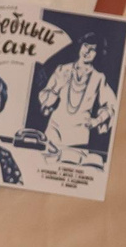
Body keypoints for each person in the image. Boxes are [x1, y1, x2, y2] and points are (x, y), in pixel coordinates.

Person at [37, 38, 114, 169]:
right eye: (85, 46)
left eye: (93, 49)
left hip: (78, 137)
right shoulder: (62, 70)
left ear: (98, 54)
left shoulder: (99, 77)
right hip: (53, 132)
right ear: (80, 46)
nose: (87, 51)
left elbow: (111, 106)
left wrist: (97, 120)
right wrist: (58, 86)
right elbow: (46, 103)